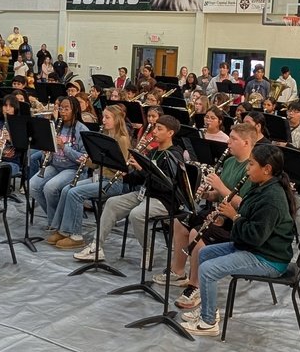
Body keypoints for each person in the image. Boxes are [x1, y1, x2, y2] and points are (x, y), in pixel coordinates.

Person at [181, 144, 298, 337]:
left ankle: (208, 322)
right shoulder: (261, 185)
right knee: (204, 253)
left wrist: (234, 217)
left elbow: (255, 236)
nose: (247, 168)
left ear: (267, 169)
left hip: (268, 258)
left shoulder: (273, 199)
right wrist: (224, 215)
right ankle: (207, 309)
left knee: (209, 269)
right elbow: (248, 208)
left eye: (251, 164)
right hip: (254, 248)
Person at [157, 123, 259, 310]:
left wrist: (220, 187)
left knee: (198, 234)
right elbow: (217, 195)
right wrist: (206, 194)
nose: (228, 142)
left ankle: (194, 286)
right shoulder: (228, 162)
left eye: (233, 139)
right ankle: (178, 271)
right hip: (219, 210)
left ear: (246, 142)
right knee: (179, 220)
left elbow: (244, 203)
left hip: (235, 219)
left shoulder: (252, 168)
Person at [74, 115, 184, 264]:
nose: (154, 132)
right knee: (112, 202)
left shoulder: (174, 156)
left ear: (170, 133)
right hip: (145, 193)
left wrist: (142, 170)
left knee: (136, 215)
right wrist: (126, 174)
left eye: (159, 129)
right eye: (155, 128)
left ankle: (147, 250)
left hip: (164, 199)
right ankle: (96, 247)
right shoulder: (153, 152)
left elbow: (166, 185)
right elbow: (140, 179)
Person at [48, 105, 132, 249]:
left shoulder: (122, 139)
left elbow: (120, 167)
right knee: (67, 189)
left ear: (117, 120)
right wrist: (86, 160)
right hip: (99, 178)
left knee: (75, 193)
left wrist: (101, 158)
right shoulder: (105, 136)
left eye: (107, 117)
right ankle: (62, 230)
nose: (103, 120)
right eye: (103, 117)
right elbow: (95, 165)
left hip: (113, 182)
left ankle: (76, 235)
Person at [30, 96, 89, 229]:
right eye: (61, 108)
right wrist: (47, 151)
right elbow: (51, 151)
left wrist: (64, 147)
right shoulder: (56, 126)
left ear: (75, 110)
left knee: (50, 187)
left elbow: (84, 158)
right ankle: (57, 219)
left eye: (66, 109)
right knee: (33, 185)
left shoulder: (82, 129)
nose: (62, 112)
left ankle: (55, 224)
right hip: (56, 165)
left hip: (73, 169)